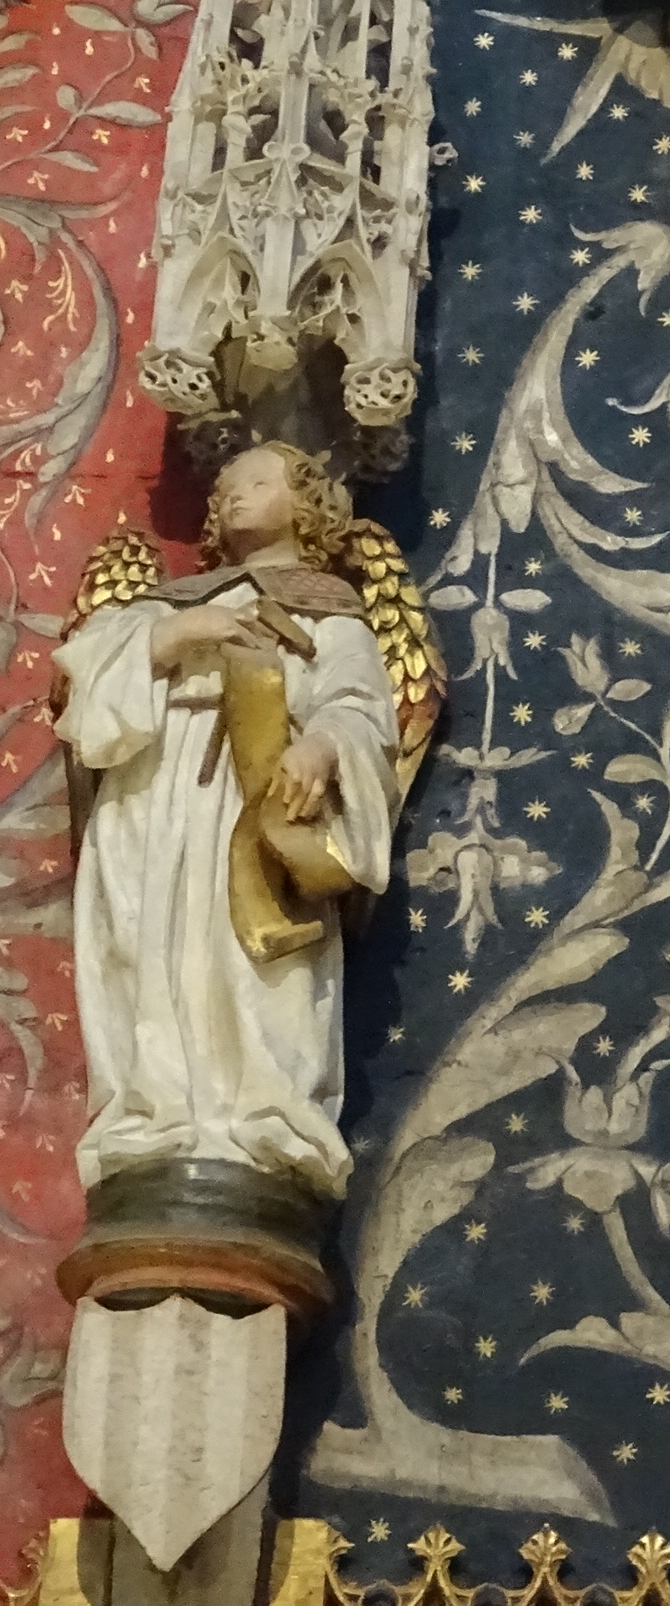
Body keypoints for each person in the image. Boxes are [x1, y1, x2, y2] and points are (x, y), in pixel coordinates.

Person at [53, 442, 400, 1203]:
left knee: (254, 966)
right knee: (151, 950)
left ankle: (264, 1125)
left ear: (306, 502)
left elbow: (361, 708)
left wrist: (320, 747)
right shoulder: (170, 602)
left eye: (258, 481)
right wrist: (178, 634)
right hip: (152, 798)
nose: (234, 494)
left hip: (259, 799)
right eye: (226, 486)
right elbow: (86, 695)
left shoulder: (331, 610)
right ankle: (154, 1118)